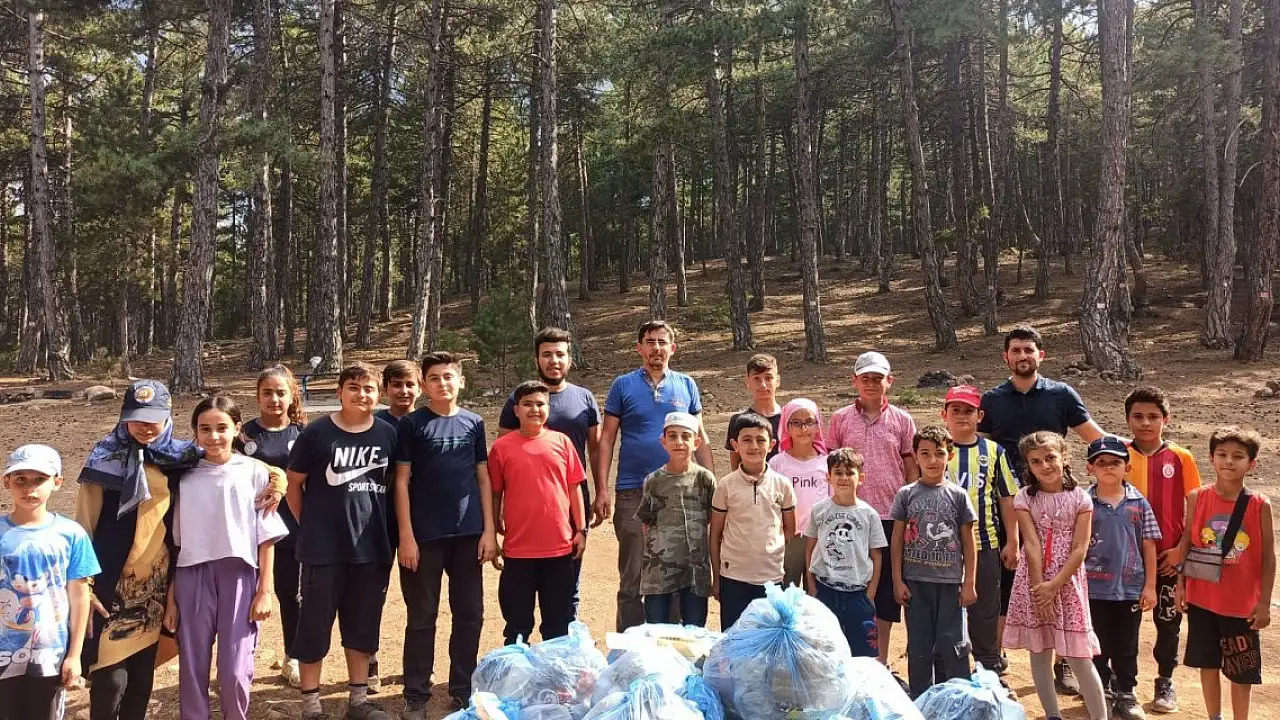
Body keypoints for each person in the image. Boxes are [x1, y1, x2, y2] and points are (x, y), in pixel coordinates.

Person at [76, 381, 214, 720]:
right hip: (109, 584)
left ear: (168, 416)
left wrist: (276, 479)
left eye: (153, 418)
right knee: (109, 680)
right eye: (137, 418)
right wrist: (82, 584)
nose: (145, 426)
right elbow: (83, 525)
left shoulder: (180, 457)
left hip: (155, 585)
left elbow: (235, 465)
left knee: (141, 680)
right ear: (124, 417)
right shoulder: (103, 458)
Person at [979, 326, 1105, 694]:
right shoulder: (993, 399)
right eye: (1016, 350)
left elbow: (1096, 437)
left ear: (1041, 355)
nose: (1023, 356)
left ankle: (1064, 663)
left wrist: (1141, 450)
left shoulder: (1061, 394)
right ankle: (996, 658)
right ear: (1006, 357)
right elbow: (978, 446)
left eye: (1029, 350)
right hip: (1007, 504)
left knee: (1061, 581)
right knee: (1004, 581)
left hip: (1057, 504)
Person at [286, 362, 398, 720]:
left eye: (368, 388)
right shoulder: (316, 434)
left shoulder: (387, 434)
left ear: (378, 395)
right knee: (314, 628)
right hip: (323, 551)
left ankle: (358, 702)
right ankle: (312, 706)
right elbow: (293, 484)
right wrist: (310, 525)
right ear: (339, 392)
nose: (361, 394)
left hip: (371, 549)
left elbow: (394, 485)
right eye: (353, 387)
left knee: (362, 627)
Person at [165, 397, 288, 720]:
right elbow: (176, 542)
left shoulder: (255, 472)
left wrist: (264, 590)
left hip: (239, 574)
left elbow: (266, 536)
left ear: (237, 429)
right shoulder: (183, 476)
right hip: (192, 575)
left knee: (235, 668)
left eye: (222, 428)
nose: (214, 436)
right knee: (193, 665)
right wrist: (172, 599)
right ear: (194, 432)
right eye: (205, 429)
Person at [392, 352, 496, 716]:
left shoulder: (474, 423)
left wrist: (489, 530)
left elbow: (483, 477)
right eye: (434, 378)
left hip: (468, 535)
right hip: (424, 538)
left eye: (448, 376)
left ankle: (462, 690)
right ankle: (416, 695)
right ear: (424, 385)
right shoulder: (412, 425)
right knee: (422, 617)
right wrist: (406, 536)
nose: (442, 383)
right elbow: (401, 481)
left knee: (470, 614)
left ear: (461, 381)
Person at [597, 320, 715, 631]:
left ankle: (670, 647)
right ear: (639, 348)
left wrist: (712, 490)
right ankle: (630, 649)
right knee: (634, 574)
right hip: (633, 491)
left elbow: (701, 437)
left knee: (676, 573)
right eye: (650, 342)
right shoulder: (623, 385)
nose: (656, 348)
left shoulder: (686, 385)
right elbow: (607, 439)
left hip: (682, 492)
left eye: (662, 342)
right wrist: (602, 489)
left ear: (672, 348)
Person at [1002, 432, 1109, 720]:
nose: (1044, 466)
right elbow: (1031, 544)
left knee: (1078, 656)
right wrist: (1040, 589)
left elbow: (1080, 548)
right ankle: (1052, 715)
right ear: (1028, 465)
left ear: (1065, 457)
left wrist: (1054, 586)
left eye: (1050, 457)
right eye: (1035, 461)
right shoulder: (1025, 497)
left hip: (1068, 583)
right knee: (1039, 651)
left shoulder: (1081, 499)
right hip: (1033, 582)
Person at [498, 327, 603, 617]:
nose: (553, 361)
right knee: (525, 577)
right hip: (527, 503)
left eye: (560, 354)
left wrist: (601, 491)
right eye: (546, 354)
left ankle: (564, 630)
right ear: (537, 359)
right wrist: (502, 506)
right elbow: (504, 455)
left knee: (568, 574)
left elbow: (595, 450)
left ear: (570, 359)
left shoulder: (584, 398)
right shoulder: (519, 399)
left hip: (572, 495)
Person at [1176, 427, 1274, 720]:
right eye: (1222, 454)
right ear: (1211, 458)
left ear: (1252, 463)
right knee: (1208, 663)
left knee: (1241, 670)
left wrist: (1264, 603)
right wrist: (1181, 585)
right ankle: (1214, 716)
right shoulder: (1197, 497)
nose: (1229, 461)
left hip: (1242, 604)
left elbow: (1268, 557)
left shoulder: (1259, 504)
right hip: (1203, 597)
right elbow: (1187, 542)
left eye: (1238, 456)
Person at [827, 350, 917, 664]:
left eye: (878, 378)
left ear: (889, 381)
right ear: (854, 381)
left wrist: (910, 508)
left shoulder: (902, 420)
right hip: (849, 516)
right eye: (865, 378)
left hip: (891, 517)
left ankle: (880, 663)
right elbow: (831, 466)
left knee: (885, 595)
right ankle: (847, 661)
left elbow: (910, 467)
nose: (871, 383)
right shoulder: (840, 419)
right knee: (850, 586)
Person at [0, 444, 100, 720]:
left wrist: (75, 655)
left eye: (39, 479)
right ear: (6, 481)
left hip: (49, 655)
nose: (29, 488)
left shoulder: (71, 534)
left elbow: (79, 596)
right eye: (20, 479)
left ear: (57, 482)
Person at [489, 381, 587, 645]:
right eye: (527, 404)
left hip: (558, 548)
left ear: (549, 408)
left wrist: (581, 529)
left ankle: (553, 669)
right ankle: (516, 667)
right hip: (518, 551)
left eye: (541, 404)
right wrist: (492, 534)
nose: (535, 409)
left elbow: (574, 488)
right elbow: (495, 493)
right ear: (516, 410)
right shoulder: (501, 448)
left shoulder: (562, 442)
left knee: (557, 625)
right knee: (517, 625)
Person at [1123, 386, 1201, 713]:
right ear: (1128, 419)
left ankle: (1165, 680)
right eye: (1138, 416)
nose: (1145, 423)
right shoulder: (1119, 455)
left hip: (1169, 557)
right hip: (1126, 559)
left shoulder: (1181, 458)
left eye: (1153, 416)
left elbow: (1196, 506)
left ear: (1165, 420)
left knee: (1168, 621)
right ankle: (1121, 683)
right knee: (1124, 624)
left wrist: (1181, 549)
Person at [890, 425, 978, 697]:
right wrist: (897, 580)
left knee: (953, 644)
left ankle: (957, 699)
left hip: (950, 583)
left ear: (949, 456)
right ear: (915, 456)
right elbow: (897, 540)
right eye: (925, 453)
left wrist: (969, 582)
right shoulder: (906, 494)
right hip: (915, 582)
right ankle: (921, 700)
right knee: (919, 645)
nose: (932, 460)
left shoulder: (958, 496)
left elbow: (968, 542)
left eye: (939, 453)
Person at [940, 385, 1018, 674]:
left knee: (985, 607)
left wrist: (1013, 541)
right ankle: (947, 665)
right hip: (941, 546)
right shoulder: (935, 450)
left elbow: (1007, 498)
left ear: (980, 416)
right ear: (944, 415)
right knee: (945, 606)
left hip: (985, 541)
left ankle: (988, 664)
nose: (962, 416)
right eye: (955, 410)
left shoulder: (994, 452)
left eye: (969, 411)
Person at [237, 366, 307, 688]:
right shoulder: (243, 435)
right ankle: (239, 660)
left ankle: (293, 657)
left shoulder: (303, 434)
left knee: (291, 594)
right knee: (245, 595)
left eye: (281, 392)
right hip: (248, 529)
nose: (274, 399)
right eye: (267, 392)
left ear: (292, 396)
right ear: (258, 396)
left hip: (291, 528)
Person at [1083, 436, 1159, 720]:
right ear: (1090, 468)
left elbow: (1149, 545)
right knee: (1097, 641)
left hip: (1129, 587)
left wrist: (1150, 586)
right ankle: (1100, 690)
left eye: (1115, 462)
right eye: (1101, 462)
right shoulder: (1084, 502)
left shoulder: (1139, 503)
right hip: (1093, 587)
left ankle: (1126, 692)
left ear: (1127, 467)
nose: (1108, 467)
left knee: (1127, 642)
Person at [366, 358, 423, 695]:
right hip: (377, 521)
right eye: (396, 385)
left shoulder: (426, 422)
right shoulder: (374, 425)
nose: (403, 391)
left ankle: (416, 665)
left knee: (419, 597)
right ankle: (369, 661)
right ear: (385, 389)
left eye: (410, 384)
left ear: (420, 388)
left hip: (421, 523)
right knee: (372, 594)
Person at [710, 413, 796, 630]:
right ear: (735, 445)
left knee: (767, 638)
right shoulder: (726, 485)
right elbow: (715, 535)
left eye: (760, 440)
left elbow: (789, 530)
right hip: (733, 576)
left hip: (771, 578)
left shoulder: (782, 485)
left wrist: (770, 553)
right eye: (746, 440)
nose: (754, 446)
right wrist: (717, 578)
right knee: (734, 636)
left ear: (772, 445)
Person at [803, 448, 886, 658]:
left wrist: (870, 594)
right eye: (838, 473)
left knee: (861, 653)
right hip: (825, 589)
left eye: (850, 473)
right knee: (825, 650)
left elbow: (876, 556)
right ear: (828, 477)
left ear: (861, 478)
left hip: (858, 593)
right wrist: (812, 587)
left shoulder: (869, 514)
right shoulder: (819, 510)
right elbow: (810, 548)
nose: (844, 478)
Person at [636, 412, 717, 627]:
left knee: (694, 631)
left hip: (695, 571)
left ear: (696, 442)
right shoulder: (653, 481)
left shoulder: (705, 479)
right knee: (657, 632)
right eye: (672, 436)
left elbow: (713, 519)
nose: (679, 442)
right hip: (658, 571)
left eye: (685, 436)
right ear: (663, 442)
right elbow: (646, 524)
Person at [769, 398, 830, 588]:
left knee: (816, 591)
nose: (804, 429)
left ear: (818, 426)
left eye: (809, 422)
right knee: (787, 589)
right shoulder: (777, 463)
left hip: (819, 537)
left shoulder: (827, 463)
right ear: (786, 426)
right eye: (796, 422)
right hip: (789, 538)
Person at [725, 353, 782, 470]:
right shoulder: (738, 421)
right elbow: (736, 467)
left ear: (777, 381)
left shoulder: (790, 419)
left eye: (768, 378)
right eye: (756, 378)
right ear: (747, 382)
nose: (763, 385)